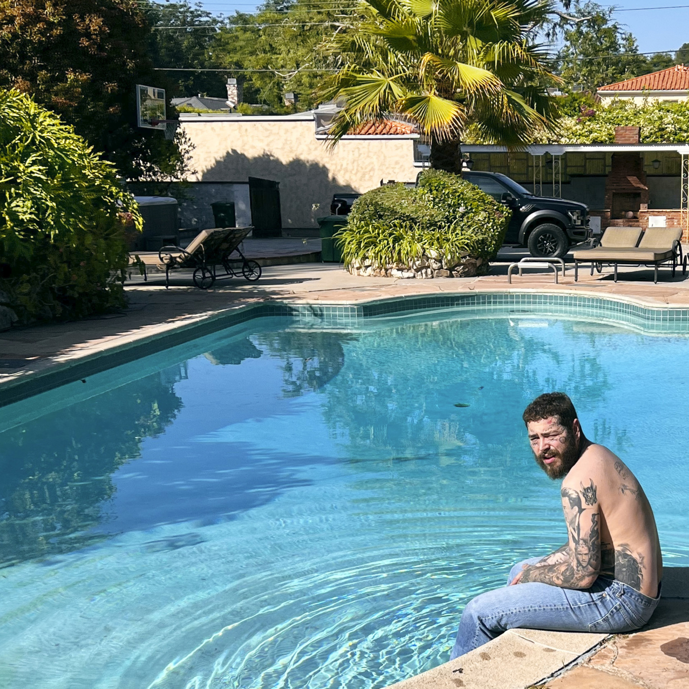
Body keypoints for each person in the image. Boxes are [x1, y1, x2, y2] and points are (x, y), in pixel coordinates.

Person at [450, 392, 662, 660]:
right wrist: (535, 569)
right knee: (519, 569)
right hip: (638, 590)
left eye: (550, 435)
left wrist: (532, 576)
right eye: (534, 438)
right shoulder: (598, 454)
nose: (542, 448)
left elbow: (584, 575)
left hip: (621, 601)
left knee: (478, 613)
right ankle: (514, 659)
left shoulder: (577, 481)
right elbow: (585, 545)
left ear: (574, 428)